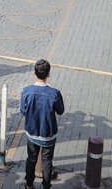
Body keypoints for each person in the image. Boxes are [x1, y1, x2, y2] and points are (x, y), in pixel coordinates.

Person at [20, 59, 65, 189]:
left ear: (34, 73)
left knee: (31, 159)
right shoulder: (54, 93)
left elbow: (23, 111)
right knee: (47, 161)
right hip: (48, 133)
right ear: (48, 75)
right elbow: (60, 111)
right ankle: (46, 186)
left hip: (32, 132)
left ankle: (29, 184)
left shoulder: (27, 91)